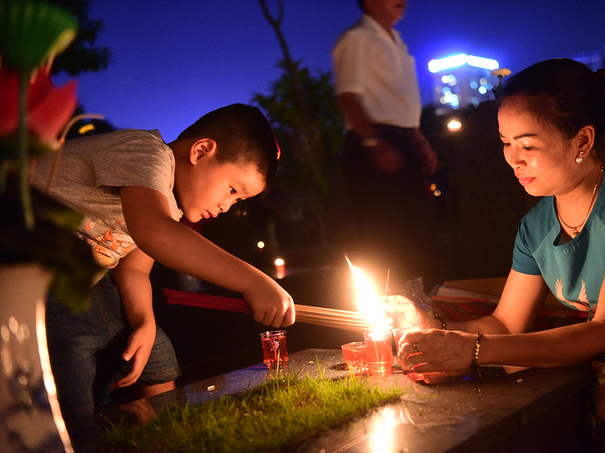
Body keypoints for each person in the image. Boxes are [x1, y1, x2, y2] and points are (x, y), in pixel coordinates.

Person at [386, 59, 605, 443]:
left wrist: (473, 351)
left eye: (527, 144)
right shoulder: (535, 225)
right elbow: (505, 325)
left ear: (583, 141)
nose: (513, 159)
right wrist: (434, 333)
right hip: (599, 353)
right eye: (506, 143)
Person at [31, 103, 295, 449]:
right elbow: (155, 232)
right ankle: (74, 435)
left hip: (75, 285)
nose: (227, 207)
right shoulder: (147, 152)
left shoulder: (165, 204)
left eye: (238, 200)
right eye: (233, 190)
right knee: (71, 351)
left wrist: (145, 321)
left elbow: (135, 266)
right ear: (201, 151)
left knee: (155, 349)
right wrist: (254, 281)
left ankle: (166, 437)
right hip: (28, 271)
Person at [330, 0, 441, 291]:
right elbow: (348, 96)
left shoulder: (398, 43)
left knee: (415, 231)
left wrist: (419, 141)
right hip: (374, 143)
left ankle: (421, 306)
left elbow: (400, 102)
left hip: (401, 141)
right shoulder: (357, 38)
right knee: (382, 236)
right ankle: (385, 311)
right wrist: (372, 142)